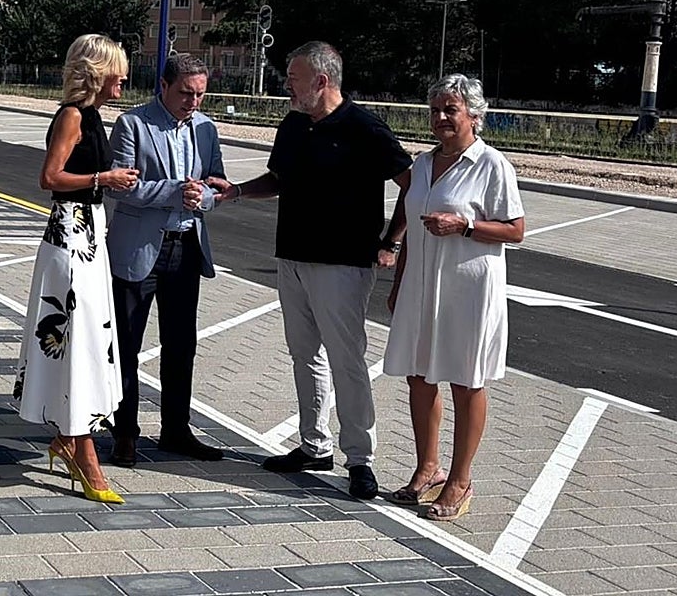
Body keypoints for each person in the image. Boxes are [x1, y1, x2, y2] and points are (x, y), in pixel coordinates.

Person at [212, 41, 411, 499]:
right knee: (305, 355)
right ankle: (314, 444)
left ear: (322, 81)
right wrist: (238, 192)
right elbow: (279, 180)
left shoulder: (364, 127)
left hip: (342, 263)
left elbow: (412, 181)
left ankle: (360, 458)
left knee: (347, 361)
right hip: (293, 258)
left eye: (294, 78)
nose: (287, 85)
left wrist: (391, 242)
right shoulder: (294, 124)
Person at [382, 74, 524, 520]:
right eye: (436, 110)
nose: (441, 118)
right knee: (419, 376)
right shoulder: (422, 165)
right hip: (422, 286)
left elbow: (516, 230)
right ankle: (428, 468)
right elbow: (410, 221)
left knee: (465, 380)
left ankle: (461, 480)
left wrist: (463, 226)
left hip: (468, 289)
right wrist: (399, 280)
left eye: (451, 110)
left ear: (474, 117)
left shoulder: (491, 165)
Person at [14, 34, 139, 504]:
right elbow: (49, 177)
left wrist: (111, 181)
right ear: (97, 72)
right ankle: (82, 452)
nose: (124, 79)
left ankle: (70, 440)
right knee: (78, 341)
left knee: (88, 340)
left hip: (89, 235)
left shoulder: (94, 118)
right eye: (118, 71)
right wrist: (103, 178)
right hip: (70, 236)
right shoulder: (71, 116)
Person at [107, 54, 228, 468]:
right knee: (126, 346)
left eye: (199, 95)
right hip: (139, 248)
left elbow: (215, 184)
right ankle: (124, 432)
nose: (193, 102)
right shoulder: (132, 124)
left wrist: (205, 197)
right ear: (163, 85)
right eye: (185, 93)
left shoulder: (206, 129)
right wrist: (176, 192)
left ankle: (176, 430)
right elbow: (121, 187)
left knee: (181, 345)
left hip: (186, 246)